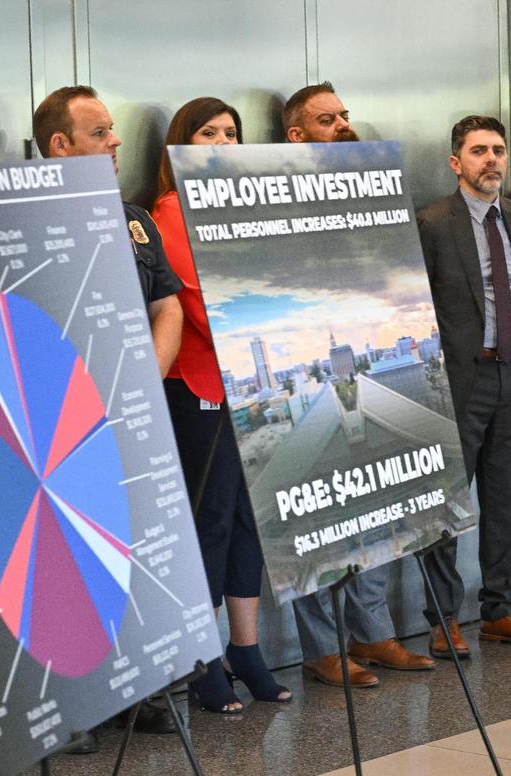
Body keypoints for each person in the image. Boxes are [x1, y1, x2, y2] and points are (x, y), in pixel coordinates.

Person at [33, 85, 184, 744]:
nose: (117, 141)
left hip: (134, 412)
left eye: (114, 130)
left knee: (135, 553)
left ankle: (138, 687)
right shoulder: (23, 217)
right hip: (58, 425)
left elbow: (168, 306)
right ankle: (78, 704)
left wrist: (142, 383)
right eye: (100, 133)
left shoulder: (134, 219)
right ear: (60, 145)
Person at [282, 82, 436, 687]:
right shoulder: (272, 203)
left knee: (377, 503)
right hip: (320, 376)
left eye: (346, 116)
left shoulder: (372, 191)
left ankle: (373, 635)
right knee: (315, 519)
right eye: (328, 120)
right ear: (296, 137)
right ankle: (322, 648)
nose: (344, 125)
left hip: (367, 363)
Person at [150, 97, 292, 713]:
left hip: (250, 388)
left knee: (247, 521)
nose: (222, 143)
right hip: (201, 386)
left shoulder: (247, 206)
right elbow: (203, 302)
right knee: (208, 524)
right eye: (208, 133)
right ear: (180, 146)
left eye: (232, 133)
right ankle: (202, 656)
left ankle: (246, 648)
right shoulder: (168, 213)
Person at [417, 115, 511, 660]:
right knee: (446, 506)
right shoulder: (431, 223)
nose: (491, 160)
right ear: (457, 163)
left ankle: (498, 610)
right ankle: (442, 619)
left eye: (498, 150)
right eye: (479, 151)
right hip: (458, 382)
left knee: (505, 500)